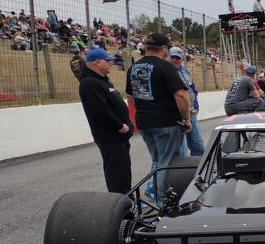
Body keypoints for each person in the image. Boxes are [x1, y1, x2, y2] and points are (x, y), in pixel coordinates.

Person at [126, 33, 190, 203]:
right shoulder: (166, 67)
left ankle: (156, 198)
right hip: (165, 122)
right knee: (165, 163)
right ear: (163, 48)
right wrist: (186, 119)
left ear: (146, 47)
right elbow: (181, 95)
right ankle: (163, 203)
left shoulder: (133, 68)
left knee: (157, 161)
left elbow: (130, 97)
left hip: (144, 121)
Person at [79, 48, 133, 194]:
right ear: (98, 62)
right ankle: (120, 202)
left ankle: (127, 199)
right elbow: (100, 111)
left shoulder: (101, 80)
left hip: (118, 137)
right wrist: (121, 126)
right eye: (108, 61)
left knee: (123, 170)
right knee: (116, 173)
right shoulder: (89, 83)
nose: (111, 63)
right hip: (111, 136)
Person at [168, 47, 204, 157]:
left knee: (199, 147)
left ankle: (199, 167)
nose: (175, 60)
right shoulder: (165, 71)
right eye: (172, 57)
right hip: (176, 115)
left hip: (191, 113)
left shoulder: (185, 71)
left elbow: (193, 90)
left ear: (181, 59)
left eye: (177, 58)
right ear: (168, 57)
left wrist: (196, 105)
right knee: (180, 151)